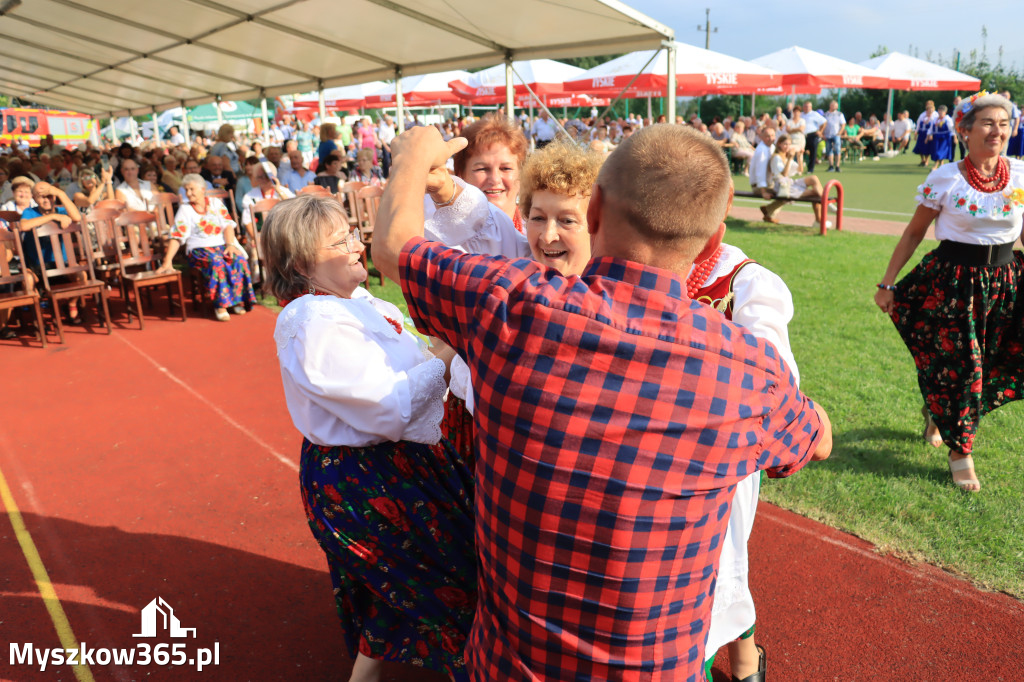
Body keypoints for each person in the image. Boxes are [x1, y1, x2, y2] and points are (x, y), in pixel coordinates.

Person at [374, 123, 832, 680]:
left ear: (592, 215)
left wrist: (413, 158)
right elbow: (819, 439)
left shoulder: (512, 306)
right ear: (713, 242)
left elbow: (396, 250)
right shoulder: (748, 372)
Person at [261, 195, 475, 681]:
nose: (355, 247)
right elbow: (387, 407)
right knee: (452, 579)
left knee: (411, 580)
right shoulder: (310, 322)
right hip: (366, 477)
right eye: (338, 242)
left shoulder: (357, 302)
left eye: (351, 235)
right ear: (301, 263)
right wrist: (444, 352)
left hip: (401, 461)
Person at [874, 92, 1023, 493]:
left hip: (1005, 283)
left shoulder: (1021, 173)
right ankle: (961, 452)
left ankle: (938, 411)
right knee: (965, 367)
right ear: (965, 130)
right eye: (989, 123)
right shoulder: (945, 178)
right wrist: (888, 282)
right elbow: (914, 232)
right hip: (955, 285)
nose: (998, 131)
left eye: (1004, 123)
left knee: (989, 364)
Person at [155, 174, 255, 322]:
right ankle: (220, 305)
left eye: (191, 189)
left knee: (238, 258)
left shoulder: (216, 203)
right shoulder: (185, 209)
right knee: (216, 263)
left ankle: (235, 301)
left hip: (221, 245)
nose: (188, 193)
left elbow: (228, 225)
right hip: (198, 249)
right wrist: (167, 261)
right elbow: (177, 236)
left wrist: (230, 245)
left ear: (203, 189)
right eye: (186, 190)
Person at [448, 113, 528, 231]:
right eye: (482, 169)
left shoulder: (538, 235)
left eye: (505, 168)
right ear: (460, 176)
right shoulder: (446, 239)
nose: (495, 179)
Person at [771, 135, 830, 229]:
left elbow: (800, 170)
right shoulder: (776, 158)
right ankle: (821, 217)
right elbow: (784, 174)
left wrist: (799, 156)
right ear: (779, 144)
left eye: (789, 144)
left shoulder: (785, 157)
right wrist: (790, 158)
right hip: (782, 186)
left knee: (813, 178)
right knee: (815, 194)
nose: (787, 146)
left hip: (790, 183)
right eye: (785, 144)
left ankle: (824, 206)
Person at [749, 125, 789, 223]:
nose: (770, 138)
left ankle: (769, 212)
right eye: (767, 136)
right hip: (759, 186)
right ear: (761, 137)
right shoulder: (762, 150)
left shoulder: (771, 147)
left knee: (787, 192)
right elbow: (760, 172)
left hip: (768, 184)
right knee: (786, 195)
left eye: (772, 135)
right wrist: (763, 192)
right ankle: (769, 211)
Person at [801, 101, 826, 174]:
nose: (806, 108)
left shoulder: (814, 114)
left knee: (813, 152)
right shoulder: (801, 114)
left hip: (812, 135)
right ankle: (800, 167)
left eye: (808, 106)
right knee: (801, 151)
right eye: (805, 106)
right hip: (803, 136)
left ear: (811, 107)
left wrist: (820, 131)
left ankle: (810, 169)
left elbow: (824, 122)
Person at [913, 101, 938, 168]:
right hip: (922, 133)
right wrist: (916, 133)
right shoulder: (922, 115)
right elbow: (918, 124)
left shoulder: (935, 115)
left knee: (927, 148)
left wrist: (931, 134)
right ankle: (922, 160)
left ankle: (927, 161)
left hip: (929, 133)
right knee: (920, 147)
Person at [823, 100, 845, 172]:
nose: (836, 107)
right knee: (828, 150)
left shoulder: (839, 114)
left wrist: (839, 133)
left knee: (837, 150)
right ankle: (831, 166)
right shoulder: (825, 114)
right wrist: (823, 134)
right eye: (834, 105)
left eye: (836, 105)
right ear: (830, 105)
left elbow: (843, 124)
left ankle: (837, 166)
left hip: (836, 135)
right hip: (827, 135)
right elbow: (822, 125)